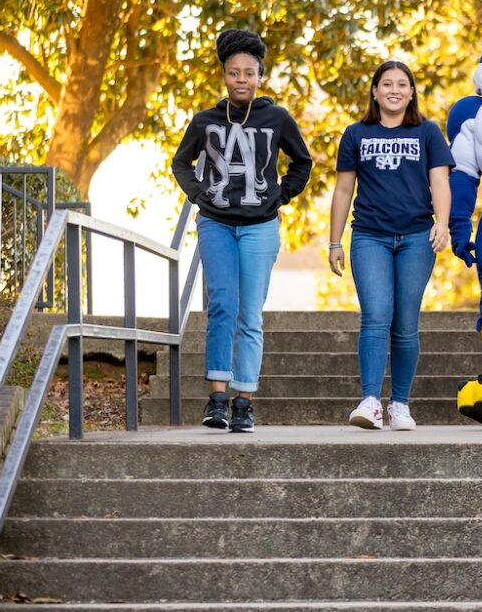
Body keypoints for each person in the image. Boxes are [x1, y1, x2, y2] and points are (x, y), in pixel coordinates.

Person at [172, 29, 312, 433]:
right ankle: (217, 399)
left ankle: (243, 402)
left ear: (259, 76)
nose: (241, 80)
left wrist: (280, 196)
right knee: (221, 306)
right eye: (234, 73)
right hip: (216, 224)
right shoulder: (205, 121)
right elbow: (182, 163)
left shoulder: (277, 118)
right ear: (224, 76)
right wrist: (200, 196)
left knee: (249, 314)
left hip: (260, 227)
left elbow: (301, 162)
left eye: (248, 73)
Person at [329, 60, 453, 431]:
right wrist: (334, 241)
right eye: (387, 84)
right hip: (369, 236)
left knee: (405, 322)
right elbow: (342, 190)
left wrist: (443, 224)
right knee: (376, 315)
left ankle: (399, 404)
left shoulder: (428, 132)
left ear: (411, 92)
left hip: (417, 237)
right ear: (375, 91)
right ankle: (370, 401)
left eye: (402, 84)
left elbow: (441, 182)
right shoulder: (355, 133)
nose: (394, 90)